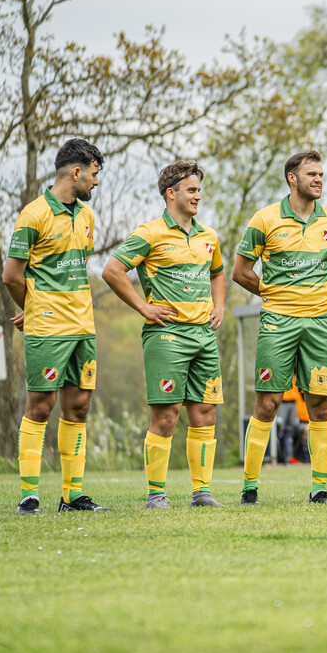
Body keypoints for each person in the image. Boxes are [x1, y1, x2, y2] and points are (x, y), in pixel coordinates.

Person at [102, 161, 226, 508]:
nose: (197, 196)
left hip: (204, 336)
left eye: (199, 190)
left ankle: (202, 493)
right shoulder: (150, 232)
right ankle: (156, 494)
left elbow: (218, 273)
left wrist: (219, 306)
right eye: (191, 190)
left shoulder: (208, 236)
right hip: (167, 336)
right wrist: (144, 307)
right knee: (167, 415)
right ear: (171, 193)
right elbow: (112, 270)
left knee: (205, 412)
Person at [231, 150, 327, 505]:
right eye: (312, 174)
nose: (319, 179)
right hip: (277, 323)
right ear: (292, 178)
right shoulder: (265, 219)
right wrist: (272, 293)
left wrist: (318, 292)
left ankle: (320, 490)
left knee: (321, 406)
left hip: (320, 324)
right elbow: (240, 272)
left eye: (321, 174)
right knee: (267, 403)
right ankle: (249, 489)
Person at [2, 138, 111, 514]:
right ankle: (28, 496)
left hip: (83, 327)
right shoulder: (33, 215)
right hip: (47, 329)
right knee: (40, 405)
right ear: (76, 172)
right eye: (94, 174)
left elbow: (74, 269)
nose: (96, 181)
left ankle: (72, 496)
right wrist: (35, 308)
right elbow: (12, 276)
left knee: (78, 407)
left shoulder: (87, 216)